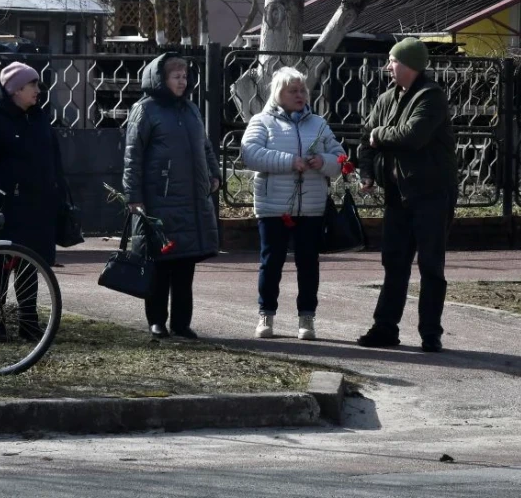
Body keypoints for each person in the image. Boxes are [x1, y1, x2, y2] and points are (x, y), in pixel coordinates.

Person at [356, 37, 458, 353]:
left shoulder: (432, 97)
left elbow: (413, 136)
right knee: (394, 263)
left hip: (431, 194)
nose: (388, 67)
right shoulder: (386, 99)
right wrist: (368, 172)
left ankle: (431, 333)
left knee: (430, 266)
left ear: (410, 65)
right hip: (397, 196)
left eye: (393, 61)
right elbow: (365, 141)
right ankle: (385, 328)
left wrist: (378, 136)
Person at [241, 67, 345, 340]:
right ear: (279, 94)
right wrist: (289, 162)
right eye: (293, 91)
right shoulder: (262, 122)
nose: (300, 95)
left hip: (311, 206)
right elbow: (250, 154)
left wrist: (325, 162)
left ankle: (307, 319)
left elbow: (340, 159)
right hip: (274, 205)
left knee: (308, 263)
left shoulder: (319, 124)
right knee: (271, 262)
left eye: (302, 90)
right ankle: (266, 315)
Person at [123, 53, 221, 339]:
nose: (182, 81)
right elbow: (133, 156)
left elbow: (204, 146)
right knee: (159, 264)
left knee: (184, 265)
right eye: (176, 76)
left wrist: (214, 175)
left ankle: (181, 322)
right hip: (159, 200)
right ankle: (157, 320)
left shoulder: (190, 109)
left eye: (185, 76)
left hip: (190, 200)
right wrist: (133, 195)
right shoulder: (145, 110)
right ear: (161, 79)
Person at [0, 61, 64, 341]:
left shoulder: (38, 117)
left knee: (29, 266)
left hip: (36, 206)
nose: (38, 90)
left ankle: (29, 324)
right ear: (15, 89)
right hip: (4, 207)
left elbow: (52, 157)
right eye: (32, 84)